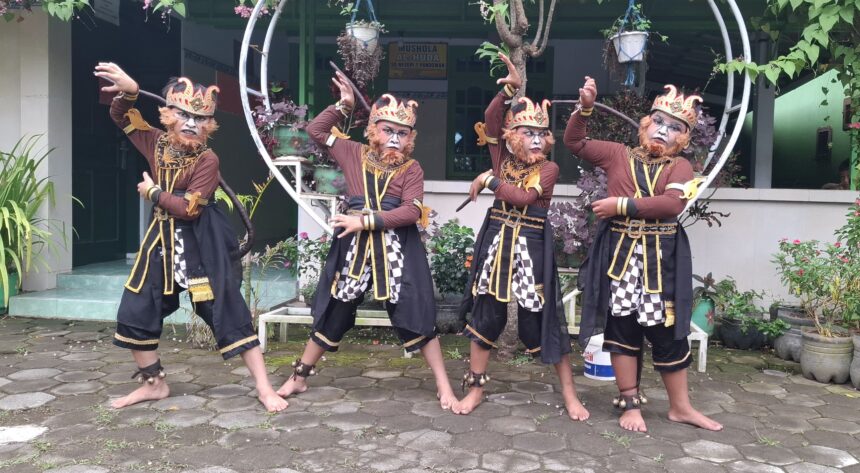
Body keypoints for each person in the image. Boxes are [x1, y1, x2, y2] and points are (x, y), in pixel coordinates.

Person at [93, 62, 288, 412]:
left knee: (227, 311)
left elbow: (189, 209)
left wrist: (154, 193)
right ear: (168, 114)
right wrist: (131, 92)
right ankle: (154, 385)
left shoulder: (208, 159)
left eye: (199, 119)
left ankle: (264, 388)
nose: (190, 123)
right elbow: (120, 115)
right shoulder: (154, 141)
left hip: (201, 247)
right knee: (135, 311)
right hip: (160, 246)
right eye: (183, 115)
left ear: (209, 124)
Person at [275, 72, 457, 410]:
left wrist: (364, 221)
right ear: (373, 129)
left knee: (417, 313)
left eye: (402, 133)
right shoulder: (352, 152)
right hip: (354, 252)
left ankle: (444, 386)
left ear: (410, 138)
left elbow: (411, 212)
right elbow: (316, 131)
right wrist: (343, 106)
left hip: (396, 251)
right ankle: (299, 376)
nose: (394, 139)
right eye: (388, 130)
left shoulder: (412, 169)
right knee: (334, 310)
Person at [564, 76, 722, 433]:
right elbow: (574, 142)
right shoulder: (617, 154)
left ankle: (681, 407)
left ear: (683, 138)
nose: (664, 131)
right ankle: (630, 404)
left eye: (675, 127)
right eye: (659, 122)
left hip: (661, 263)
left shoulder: (680, 167)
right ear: (646, 124)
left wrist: (620, 205)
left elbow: (672, 205)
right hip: (621, 260)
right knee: (622, 329)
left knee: (668, 331)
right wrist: (584, 109)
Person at [452, 54, 589, 421]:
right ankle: (475, 389)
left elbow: (524, 198)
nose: (537, 140)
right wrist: (508, 91)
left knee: (541, 319)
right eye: (528, 133)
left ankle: (570, 395)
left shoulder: (550, 168)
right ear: (512, 137)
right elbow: (491, 118)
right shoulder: (502, 157)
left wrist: (488, 180)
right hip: (497, 239)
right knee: (485, 315)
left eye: (542, 134)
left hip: (531, 244)